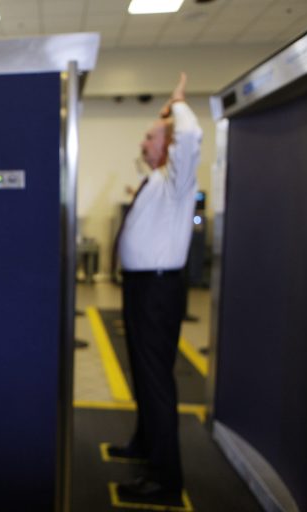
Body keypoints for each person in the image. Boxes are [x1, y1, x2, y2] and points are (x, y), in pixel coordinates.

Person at [110, 72, 203, 506]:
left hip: (157, 292)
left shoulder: (177, 181)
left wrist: (178, 105)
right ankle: (145, 446)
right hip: (142, 289)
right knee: (143, 377)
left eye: (150, 138)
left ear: (168, 145)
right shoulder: (156, 183)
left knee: (155, 382)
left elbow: (191, 138)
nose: (143, 144)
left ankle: (165, 480)